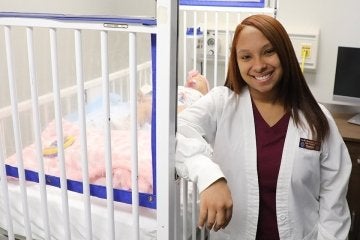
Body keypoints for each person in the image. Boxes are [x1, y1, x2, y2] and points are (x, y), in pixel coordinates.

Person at [175, 14, 352, 239]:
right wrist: (209, 176)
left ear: (285, 53)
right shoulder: (221, 104)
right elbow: (174, 133)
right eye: (246, 56)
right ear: (236, 63)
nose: (258, 65)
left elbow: (333, 204)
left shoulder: (317, 120)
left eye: (269, 52)